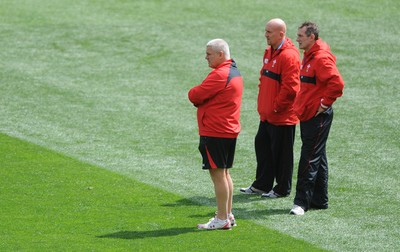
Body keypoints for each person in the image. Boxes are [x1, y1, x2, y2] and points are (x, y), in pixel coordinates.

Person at [240, 18, 300, 198]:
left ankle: (282, 189)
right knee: (263, 148)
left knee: (282, 155)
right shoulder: (269, 52)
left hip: (282, 116)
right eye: (265, 31)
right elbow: (263, 80)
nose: (265, 35)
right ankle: (262, 185)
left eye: (269, 32)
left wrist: (275, 107)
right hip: (267, 115)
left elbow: (291, 89)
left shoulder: (289, 56)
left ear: (281, 34)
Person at [290, 22, 344, 215]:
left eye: (300, 36)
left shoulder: (320, 58)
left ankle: (301, 203)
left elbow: (337, 84)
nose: (297, 39)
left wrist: (323, 105)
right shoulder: (310, 54)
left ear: (311, 37)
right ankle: (319, 200)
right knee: (317, 156)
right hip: (308, 114)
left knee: (309, 157)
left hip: (317, 116)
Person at [188, 39, 243, 229]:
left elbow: (195, 95)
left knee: (218, 174)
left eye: (209, 53)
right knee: (225, 173)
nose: (205, 57)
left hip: (215, 131)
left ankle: (221, 219)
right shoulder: (233, 71)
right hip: (227, 130)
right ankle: (227, 215)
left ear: (221, 54)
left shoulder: (220, 75)